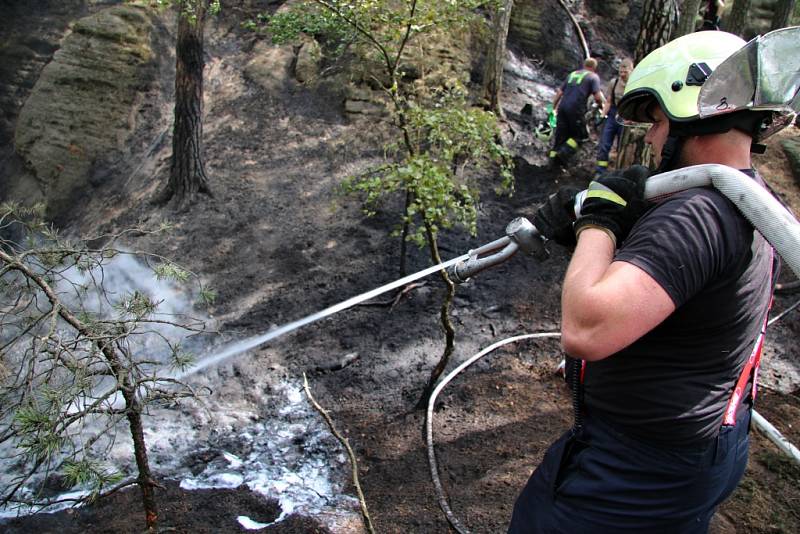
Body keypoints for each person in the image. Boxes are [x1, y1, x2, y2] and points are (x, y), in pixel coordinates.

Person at [509, 29, 795, 533]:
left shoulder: (696, 214)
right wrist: (602, 232)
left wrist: (598, 219)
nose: (651, 136)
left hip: (637, 470)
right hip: (701, 446)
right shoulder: (751, 199)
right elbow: (674, 284)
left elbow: (587, 329)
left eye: (658, 120)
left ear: (694, 106)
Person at [548, 57, 605, 169]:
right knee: (580, 136)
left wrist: (553, 108)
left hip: (562, 108)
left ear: (584, 65)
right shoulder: (593, 77)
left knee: (560, 137)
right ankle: (563, 154)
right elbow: (598, 97)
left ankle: (552, 164)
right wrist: (601, 105)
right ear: (594, 68)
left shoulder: (572, 74)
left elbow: (560, 92)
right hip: (576, 109)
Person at [594, 58, 633, 176]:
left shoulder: (634, 83)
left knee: (622, 146)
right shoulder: (614, 82)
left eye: (625, 72)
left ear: (631, 71)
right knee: (604, 144)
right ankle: (600, 172)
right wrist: (602, 115)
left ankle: (619, 172)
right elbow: (609, 101)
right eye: (620, 72)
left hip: (626, 116)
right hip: (613, 114)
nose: (622, 75)